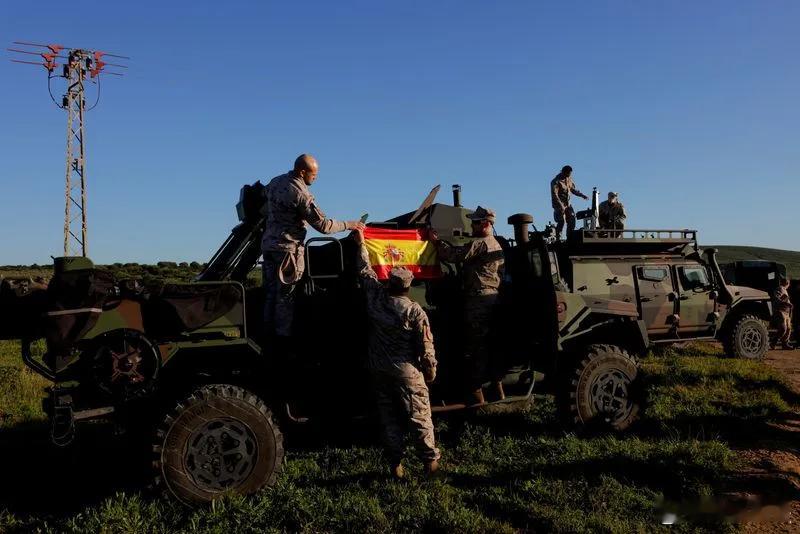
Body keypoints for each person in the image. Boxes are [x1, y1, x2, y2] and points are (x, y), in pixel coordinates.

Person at [353, 228, 440, 479]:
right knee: (419, 416)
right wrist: (430, 370)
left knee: (389, 418)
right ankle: (430, 463)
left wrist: (361, 243)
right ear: (409, 286)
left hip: (378, 367)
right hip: (407, 371)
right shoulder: (415, 312)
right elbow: (426, 347)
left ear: (389, 282)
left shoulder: (375, 299)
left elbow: (364, 271)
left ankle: (395, 465)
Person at [261, 154, 365, 344]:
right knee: (286, 298)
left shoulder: (275, 182)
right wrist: (350, 224)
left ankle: (267, 336)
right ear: (302, 172)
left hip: (269, 247)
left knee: (270, 295)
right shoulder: (301, 194)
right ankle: (282, 344)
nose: (315, 178)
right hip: (288, 252)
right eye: (313, 175)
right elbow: (323, 225)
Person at [430, 206, 505, 405]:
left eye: (475, 222)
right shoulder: (496, 244)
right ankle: (498, 392)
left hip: (479, 301)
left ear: (486, 224)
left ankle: (476, 398)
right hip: (492, 298)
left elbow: (452, 255)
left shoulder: (480, 244)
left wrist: (436, 241)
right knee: (490, 346)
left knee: (475, 348)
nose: (471, 224)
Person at [550, 165, 588, 239]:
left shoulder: (569, 179)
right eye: (567, 175)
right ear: (563, 172)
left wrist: (582, 195)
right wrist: (561, 206)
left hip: (568, 204)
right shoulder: (555, 181)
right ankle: (558, 238)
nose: (568, 176)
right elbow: (555, 195)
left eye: (569, 175)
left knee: (572, 219)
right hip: (558, 204)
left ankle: (569, 238)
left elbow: (573, 190)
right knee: (562, 221)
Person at [773, 278, 794, 349]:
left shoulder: (784, 290)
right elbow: (777, 299)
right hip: (781, 311)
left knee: (788, 328)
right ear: (788, 283)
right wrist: (787, 303)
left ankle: (785, 343)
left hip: (786, 311)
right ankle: (774, 341)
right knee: (783, 328)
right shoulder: (780, 289)